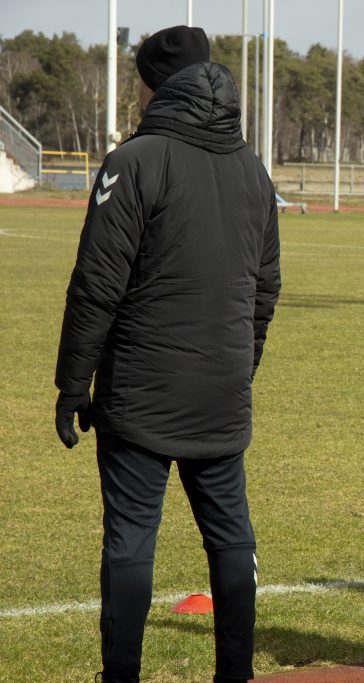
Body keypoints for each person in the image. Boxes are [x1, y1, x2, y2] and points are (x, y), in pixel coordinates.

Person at [53, 25, 281, 683]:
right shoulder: (253, 170)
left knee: (129, 542)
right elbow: (264, 290)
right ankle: (233, 673)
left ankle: (121, 674)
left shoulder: (135, 160)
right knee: (231, 538)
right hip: (221, 391)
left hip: (141, 395)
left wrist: (73, 384)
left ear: (152, 85)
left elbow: (97, 283)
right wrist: (243, 364)